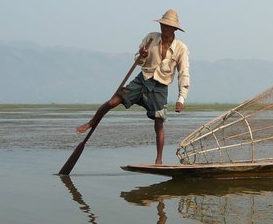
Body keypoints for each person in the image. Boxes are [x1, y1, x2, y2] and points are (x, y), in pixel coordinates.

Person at [76, 9, 190, 164]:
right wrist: (142, 55)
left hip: (160, 87)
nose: (164, 29)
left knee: (159, 123)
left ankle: (159, 160)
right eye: (163, 25)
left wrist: (181, 98)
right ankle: (91, 122)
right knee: (112, 102)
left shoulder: (181, 48)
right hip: (142, 79)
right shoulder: (151, 38)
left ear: (175, 29)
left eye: (168, 27)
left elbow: (184, 73)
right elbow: (138, 59)